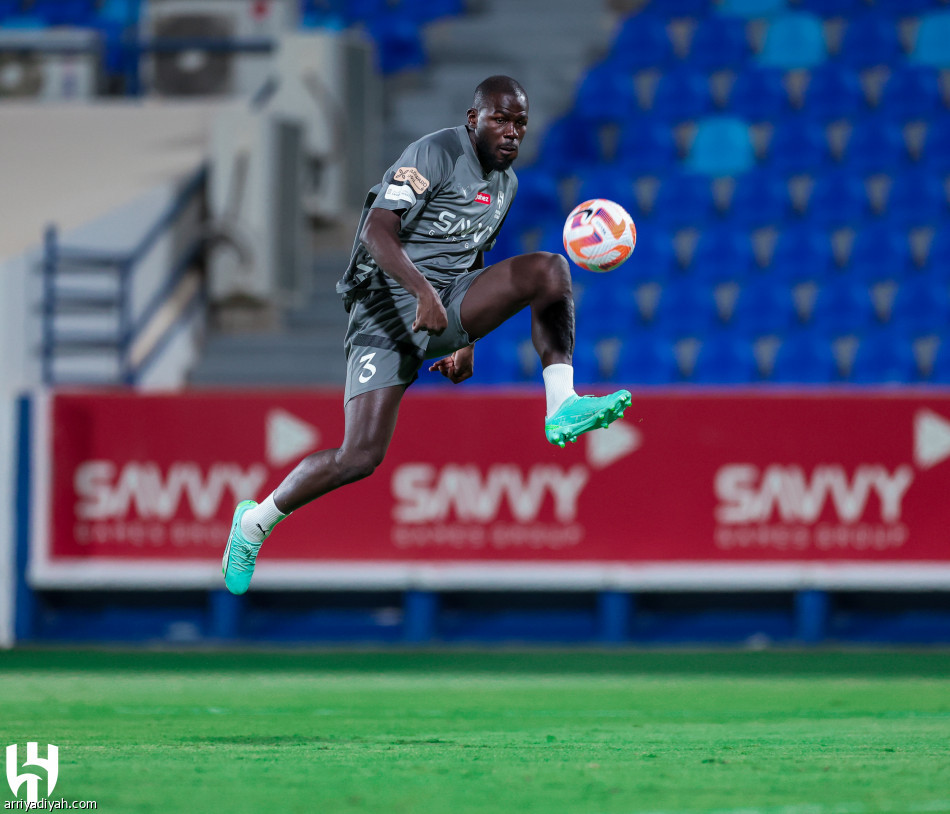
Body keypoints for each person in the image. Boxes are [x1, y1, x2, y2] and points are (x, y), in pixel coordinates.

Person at [222, 75, 631, 595]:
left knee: (549, 269)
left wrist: (465, 341)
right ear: (473, 118)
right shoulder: (434, 153)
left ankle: (562, 403)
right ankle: (255, 523)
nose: (511, 132)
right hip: (385, 313)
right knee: (360, 457)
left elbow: (473, 255)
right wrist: (423, 293)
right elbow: (376, 230)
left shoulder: (505, 185)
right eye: (500, 119)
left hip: (445, 303)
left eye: (520, 123)